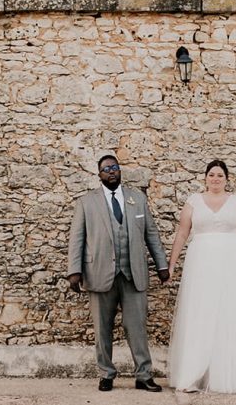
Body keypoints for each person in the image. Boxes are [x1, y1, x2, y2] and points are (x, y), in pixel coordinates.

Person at [165, 159, 236, 394]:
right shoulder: (193, 202)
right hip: (201, 261)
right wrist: (172, 263)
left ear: (226, 179)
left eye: (220, 175)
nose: (215, 179)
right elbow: (182, 233)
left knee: (231, 312)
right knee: (201, 311)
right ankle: (193, 374)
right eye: (211, 175)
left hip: (232, 261)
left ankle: (230, 374)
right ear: (205, 178)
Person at [67, 154, 169, 392]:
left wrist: (162, 265)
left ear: (120, 171)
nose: (111, 171)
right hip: (99, 272)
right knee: (102, 328)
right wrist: (74, 271)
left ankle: (143, 375)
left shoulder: (137, 198)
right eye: (106, 169)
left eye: (114, 167)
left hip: (133, 273)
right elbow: (77, 238)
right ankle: (106, 374)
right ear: (99, 174)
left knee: (137, 327)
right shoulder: (86, 202)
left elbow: (151, 234)